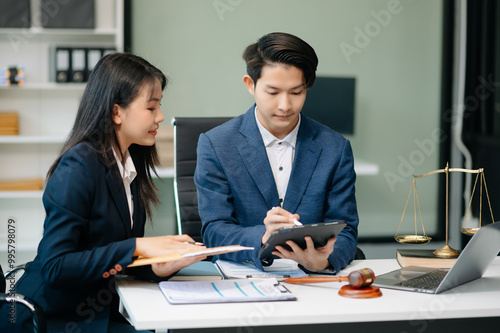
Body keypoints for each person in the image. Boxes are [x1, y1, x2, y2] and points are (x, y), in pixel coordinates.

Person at [1, 53, 205, 333]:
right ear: (116, 111)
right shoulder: (78, 166)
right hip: (50, 318)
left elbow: (113, 254)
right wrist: (138, 247)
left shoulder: (128, 165)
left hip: (91, 313)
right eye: (151, 107)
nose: (160, 117)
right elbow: (55, 266)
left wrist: (158, 266)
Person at [194, 32, 359, 273]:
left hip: (313, 278)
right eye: (273, 93)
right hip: (243, 275)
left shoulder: (335, 147)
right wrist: (263, 235)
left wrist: (323, 261)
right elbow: (214, 230)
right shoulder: (216, 144)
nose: (285, 105)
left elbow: (346, 229)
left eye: (296, 93)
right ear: (250, 85)